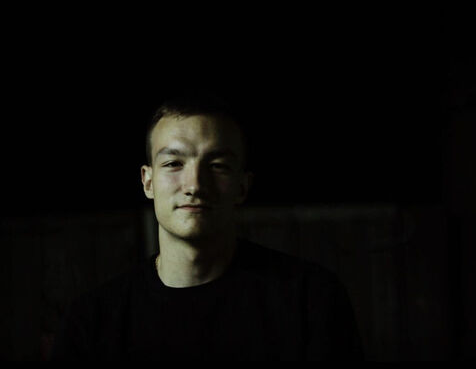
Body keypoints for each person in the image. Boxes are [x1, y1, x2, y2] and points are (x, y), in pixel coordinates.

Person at [51, 90, 363, 361]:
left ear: (242, 186)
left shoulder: (310, 300)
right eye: (174, 163)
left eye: (217, 166)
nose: (195, 185)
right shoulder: (91, 322)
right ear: (148, 182)